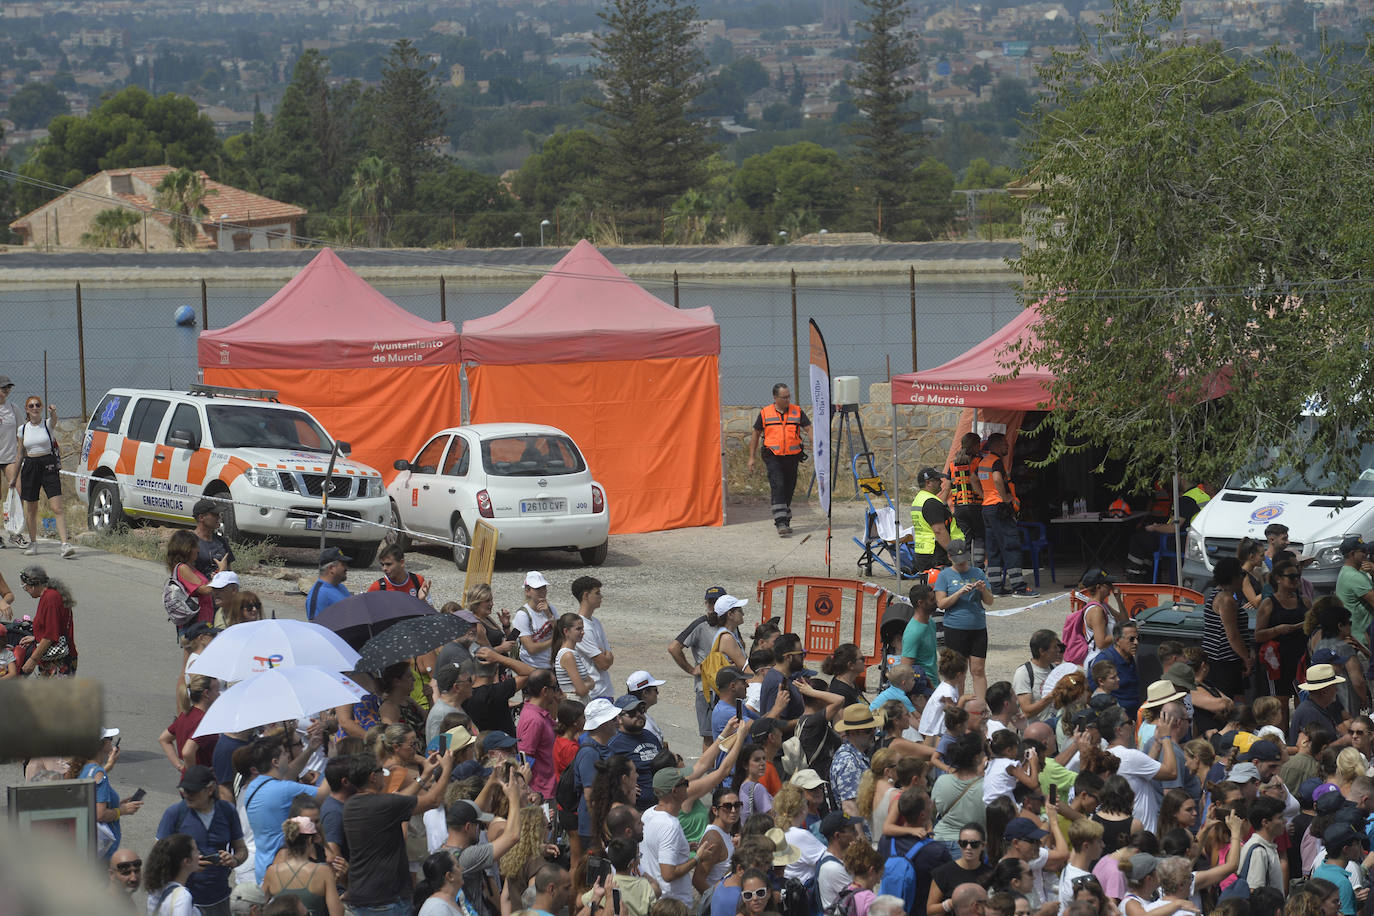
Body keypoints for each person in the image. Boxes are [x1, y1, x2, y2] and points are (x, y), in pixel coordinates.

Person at [341, 748, 455, 916]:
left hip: (362, 896)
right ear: (373, 777)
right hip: (387, 900)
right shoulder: (385, 804)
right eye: (382, 771)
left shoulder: (350, 805)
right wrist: (447, 769)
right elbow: (434, 801)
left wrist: (423, 777)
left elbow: (399, 800)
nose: (385, 775)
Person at [155, 765, 246, 916]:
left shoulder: (228, 811)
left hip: (219, 899)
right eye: (185, 791)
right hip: (184, 901)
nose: (187, 795)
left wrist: (234, 860)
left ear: (210, 790)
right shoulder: (175, 813)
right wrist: (187, 866)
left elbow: (241, 849)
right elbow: (158, 857)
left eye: (193, 791)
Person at [242, 735, 328, 883]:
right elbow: (323, 795)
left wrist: (309, 750)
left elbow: (287, 775)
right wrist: (331, 762)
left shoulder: (253, 786)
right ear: (275, 762)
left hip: (264, 869)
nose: (288, 755)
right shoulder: (284, 789)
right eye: (283, 753)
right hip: (285, 871)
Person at [669, 586, 731, 750]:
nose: (713, 606)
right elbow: (674, 648)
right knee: (710, 737)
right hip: (708, 690)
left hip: (728, 688)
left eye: (717, 602)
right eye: (710, 603)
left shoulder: (729, 624)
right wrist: (691, 669)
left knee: (728, 734)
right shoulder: (700, 625)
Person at [976, 433, 1036, 598]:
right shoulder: (996, 462)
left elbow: (974, 479)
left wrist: (984, 495)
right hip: (998, 508)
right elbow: (996, 480)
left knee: (993, 548)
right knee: (1011, 545)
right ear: (996, 445)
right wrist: (1005, 500)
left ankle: (996, 587)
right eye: (1005, 444)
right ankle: (1019, 587)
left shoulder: (983, 462)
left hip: (987, 508)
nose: (1007, 447)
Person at [748, 383, 811, 537]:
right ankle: (781, 522)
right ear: (775, 398)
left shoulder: (797, 411)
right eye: (784, 397)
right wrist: (751, 457)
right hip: (772, 456)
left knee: (789, 488)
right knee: (778, 485)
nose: (788, 399)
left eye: (789, 396)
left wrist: (815, 443)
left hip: (792, 457)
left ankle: (785, 516)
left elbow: (809, 428)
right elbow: (756, 434)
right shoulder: (765, 413)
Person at [935, 539, 996, 699]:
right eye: (958, 562)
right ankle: (958, 705)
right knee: (958, 671)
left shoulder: (978, 572)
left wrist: (983, 590)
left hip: (978, 627)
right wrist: (959, 593)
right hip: (955, 628)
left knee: (978, 669)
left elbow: (990, 601)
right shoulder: (944, 575)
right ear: (950, 557)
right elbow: (941, 604)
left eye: (964, 561)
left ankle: (981, 705)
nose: (962, 565)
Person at [15, 396, 74, 557]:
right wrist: (13, 478)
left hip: (48, 465)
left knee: (57, 507)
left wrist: (54, 412)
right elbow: (20, 454)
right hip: (30, 466)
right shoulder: (23, 429)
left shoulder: (47, 424)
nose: (34, 408)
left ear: (41, 408)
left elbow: (54, 420)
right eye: (31, 406)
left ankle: (64, 544)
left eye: (37, 405)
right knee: (31, 508)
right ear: (27, 409)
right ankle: (33, 543)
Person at [1257, 558, 1310, 721]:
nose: (1296, 580)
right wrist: (1278, 630)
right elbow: (1258, 635)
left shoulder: (1304, 601)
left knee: (1304, 699)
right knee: (1280, 703)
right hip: (1278, 660)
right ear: (1278, 578)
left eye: (1297, 576)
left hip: (1301, 658)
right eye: (1291, 576)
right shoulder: (1269, 603)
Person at [640, 766, 696, 904]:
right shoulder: (670, 826)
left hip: (657, 899)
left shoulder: (648, 813)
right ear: (674, 791)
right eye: (685, 783)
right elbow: (668, 874)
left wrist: (683, 847)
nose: (688, 786)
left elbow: (656, 848)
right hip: (673, 903)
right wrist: (698, 858)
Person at [1201, 557, 1253, 698]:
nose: (1243, 578)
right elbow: (1233, 636)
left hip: (1218, 659)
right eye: (1241, 574)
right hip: (1224, 662)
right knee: (1227, 704)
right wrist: (1247, 659)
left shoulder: (1216, 594)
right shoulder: (1226, 600)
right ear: (1233, 577)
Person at [16, 564, 77, 676]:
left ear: (33, 585)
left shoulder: (50, 599)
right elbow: (55, 627)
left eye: (25, 587)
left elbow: (50, 636)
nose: (25, 590)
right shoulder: (49, 595)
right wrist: (36, 637)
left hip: (57, 661)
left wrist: (33, 660)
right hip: (53, 658)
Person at [609, 694, 665, 809]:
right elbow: (604, 777)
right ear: (619, 718)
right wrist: (622, 787)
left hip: (661, 804)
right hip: (637, 809)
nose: (639, 715)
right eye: (632, 712)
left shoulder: (650, 736)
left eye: (641, 710)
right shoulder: (614, 744)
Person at [927, 824, 994, 915]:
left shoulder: (991, 874)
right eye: (964, 843)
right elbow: (930, 911)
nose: (968, 848)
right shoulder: (943, 873)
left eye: (974, 844)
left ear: (983, 846)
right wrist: (951, 903)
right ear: (959, 844)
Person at [159, 675, 220, 773]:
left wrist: (180, 766)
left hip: (189, 782)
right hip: (202, 783)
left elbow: (164, 739)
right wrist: (194, 774)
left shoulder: (187, 713)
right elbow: (187, 752)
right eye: (217, 691)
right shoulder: (203, 721)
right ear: (206, 693)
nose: (219, 694)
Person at [517, 668, 561, 799]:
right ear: (545, 691)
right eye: (555, 687)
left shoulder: (538, 713)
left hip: (546, 788)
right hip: (540, 792)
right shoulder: (534, 720)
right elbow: (525, 757)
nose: (557, 692)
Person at [942, 432, 986, 564]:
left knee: (965, 539)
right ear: (975, 445)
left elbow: (948, 486)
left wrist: (943, 503)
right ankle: (978, 567)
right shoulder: (979, 462)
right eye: (979, 444)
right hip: (976, 506)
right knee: (979, 537)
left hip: (959, 507)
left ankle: (964, 566)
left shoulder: (953, 464)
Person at [831, 704, 882, 816]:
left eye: (874, 728)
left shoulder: (856, 755)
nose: (874, 733)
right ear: (853, 732)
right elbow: (850, 806)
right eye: (868, 730)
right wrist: (860, 834)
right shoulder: (848, 761)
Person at [912, 467, 963, 571]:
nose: (941, 482)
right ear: (928, 483)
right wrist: (953, 552)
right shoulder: (931, 502)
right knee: (941, 586)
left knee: (929, 585)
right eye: (937, 480)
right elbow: (939, 530)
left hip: (924, 552)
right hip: (936, 554)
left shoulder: (920, 499)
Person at [573, 575, 615, 700]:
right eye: (597, 593)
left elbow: (610, 657)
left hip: (605, 691)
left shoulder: (596, 622)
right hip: (594, 694)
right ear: (585, 596)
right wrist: (605, 656)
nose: (601, 596)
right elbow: (603, 663)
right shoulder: (581, 627)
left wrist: (605, 656)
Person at [1312, 822, 1368, 915]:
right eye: (1357, 844)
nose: (1360, 847)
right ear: (1346, 849)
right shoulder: (1343, 882)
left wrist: (1354, 900)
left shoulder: (1320, 870)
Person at [1087, 622, 1141, 718]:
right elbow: (1091, 691)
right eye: (1131, 639)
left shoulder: (1129, 657)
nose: (1136, 643)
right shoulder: (1104, 660)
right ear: (1117, 640)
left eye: (1138, 638)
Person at [1290, 663, 1349, 746]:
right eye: (1334, 686)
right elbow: (1313, 750)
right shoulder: (1309, 713)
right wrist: (1342, 741)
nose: (1337, 689)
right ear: (1324, 692)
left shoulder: (1318, 708)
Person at [145, 833, 204, 916]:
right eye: (196, 850)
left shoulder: (155, 890)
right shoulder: (183, 897)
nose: (199, 853)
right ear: (187, 861)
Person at [1236, 795, 1285, 892]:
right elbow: (1255, 891)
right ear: (1265, 822)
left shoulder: (1267, 846)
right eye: (1280, 818)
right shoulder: (1258, 851)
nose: (1285, 821)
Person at [1013, 630, 1063, 724]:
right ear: (1042, 651)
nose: (1058, 650)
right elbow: (1027, 711)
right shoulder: (1024, 673)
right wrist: (1051, 696)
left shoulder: (1055, 669)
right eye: (1054, 647)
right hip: (1035, 732)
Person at [815, 812, 862, 910]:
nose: (856, 833)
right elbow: (861, 900)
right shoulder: (832, 868)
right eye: (852, 830)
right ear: (837, 835)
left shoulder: (840, 860)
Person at [1336, 535, 1374, 650]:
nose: (1366, 554)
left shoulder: (1354, 572)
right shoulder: (1354, 576)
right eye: (1362, 551)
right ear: (1352, 554)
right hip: (1363, 638)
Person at [514, 570, 557, 668]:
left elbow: (561, 631)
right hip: (532, 667)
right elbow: (531, 648)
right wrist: (554, 640)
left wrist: (549, 615)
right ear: (527, 591)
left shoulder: (551, 609)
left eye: (544, 588)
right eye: (538, 589)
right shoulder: (522, 615)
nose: (542, 592)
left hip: (551, 664)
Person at [552, 612, 598, 703]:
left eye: (582, 628)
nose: (583, 632)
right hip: (574, 703)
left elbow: (591, 683)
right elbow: (582, 690)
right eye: (578, 629)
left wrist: (587, 685)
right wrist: (588, 685)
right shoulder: (568, 655)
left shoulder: (572, 653)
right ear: (566, 631)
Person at [426, 663, 475, 745]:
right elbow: (437, 751)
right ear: (457, 687)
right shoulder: (441, 714)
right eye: (469, 680)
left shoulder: (455, 707)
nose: (472, 683)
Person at [901, 583, 940, 684]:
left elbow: (931, 660)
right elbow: (906, 668)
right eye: (932, 600)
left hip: (934, 684)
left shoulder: (931, 622)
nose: (936, 601)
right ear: (920, 603)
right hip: (922, 689)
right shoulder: (913, 632)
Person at [191, 498, 235, 579]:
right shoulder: (189, 541)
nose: (219, 517)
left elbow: (229, 569)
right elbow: (186, 571)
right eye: (214, 514)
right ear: (201, 518)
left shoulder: (221, 541)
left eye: (219, 514)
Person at [305, 547, 350, 622]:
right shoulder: (319, 594)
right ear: (331, 568)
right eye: (343, 564)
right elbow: (316, 627)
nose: (347, 568)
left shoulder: (341, 587)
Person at [412, 851, 463, 916]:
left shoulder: (445, 903)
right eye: (458, 866)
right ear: (450, 876)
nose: (462, 869)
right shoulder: (438, 908)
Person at [0, 376, 18, 511]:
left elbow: (22, 432)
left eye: (9, 387)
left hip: (10, 457)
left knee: (17, 490)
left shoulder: (13, 408)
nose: (7, 390)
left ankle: (15, 528)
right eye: (3, 387)